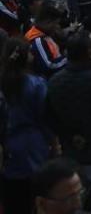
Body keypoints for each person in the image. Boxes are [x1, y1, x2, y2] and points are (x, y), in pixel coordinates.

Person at [46, 30, 91, 214]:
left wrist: (69, 136)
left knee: (76, 200)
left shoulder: (54, 81)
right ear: (90, 52)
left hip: (72, 153)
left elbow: (50, 117)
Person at [2, 38, 55, 213]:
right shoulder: (36, 84)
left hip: (7, 151)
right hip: (33, 147)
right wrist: (54, 143)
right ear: (26, 57)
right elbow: (46, 117)